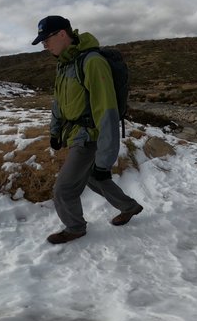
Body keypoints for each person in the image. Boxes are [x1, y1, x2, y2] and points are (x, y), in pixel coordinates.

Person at [33, 15, 144, 245]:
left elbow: (107, 112)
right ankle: (129, 207)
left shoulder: (92, 62)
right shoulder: (65, 64)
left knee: (64, 189)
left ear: (62, 34)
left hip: (90, 137)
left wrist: (105, 161)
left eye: (46, 40)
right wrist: (55, 131)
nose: (45, 46)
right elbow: (59, 102)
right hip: (76, 134)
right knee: (93, 178)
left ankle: (75, 228)